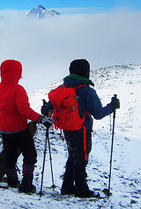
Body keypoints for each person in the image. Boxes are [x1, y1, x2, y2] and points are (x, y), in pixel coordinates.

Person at [47, 59, 120, 198]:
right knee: (81, 158)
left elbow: (51, 105)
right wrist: (112, 107)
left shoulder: (63, 88)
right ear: (86, 72)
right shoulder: (87, 91)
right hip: (82, 130)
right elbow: (98, 114)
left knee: (73, 156)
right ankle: (81, 190)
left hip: (67, 128)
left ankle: (67, 187)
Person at [0, 59, 53, 193]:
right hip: (20, 129)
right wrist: (40, 119)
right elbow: (24, 110)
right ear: (17, 72)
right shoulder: (18, 89)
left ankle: (12, 181)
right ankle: (26, 184)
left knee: (10, 155)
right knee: (30, 154)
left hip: (5, 129)